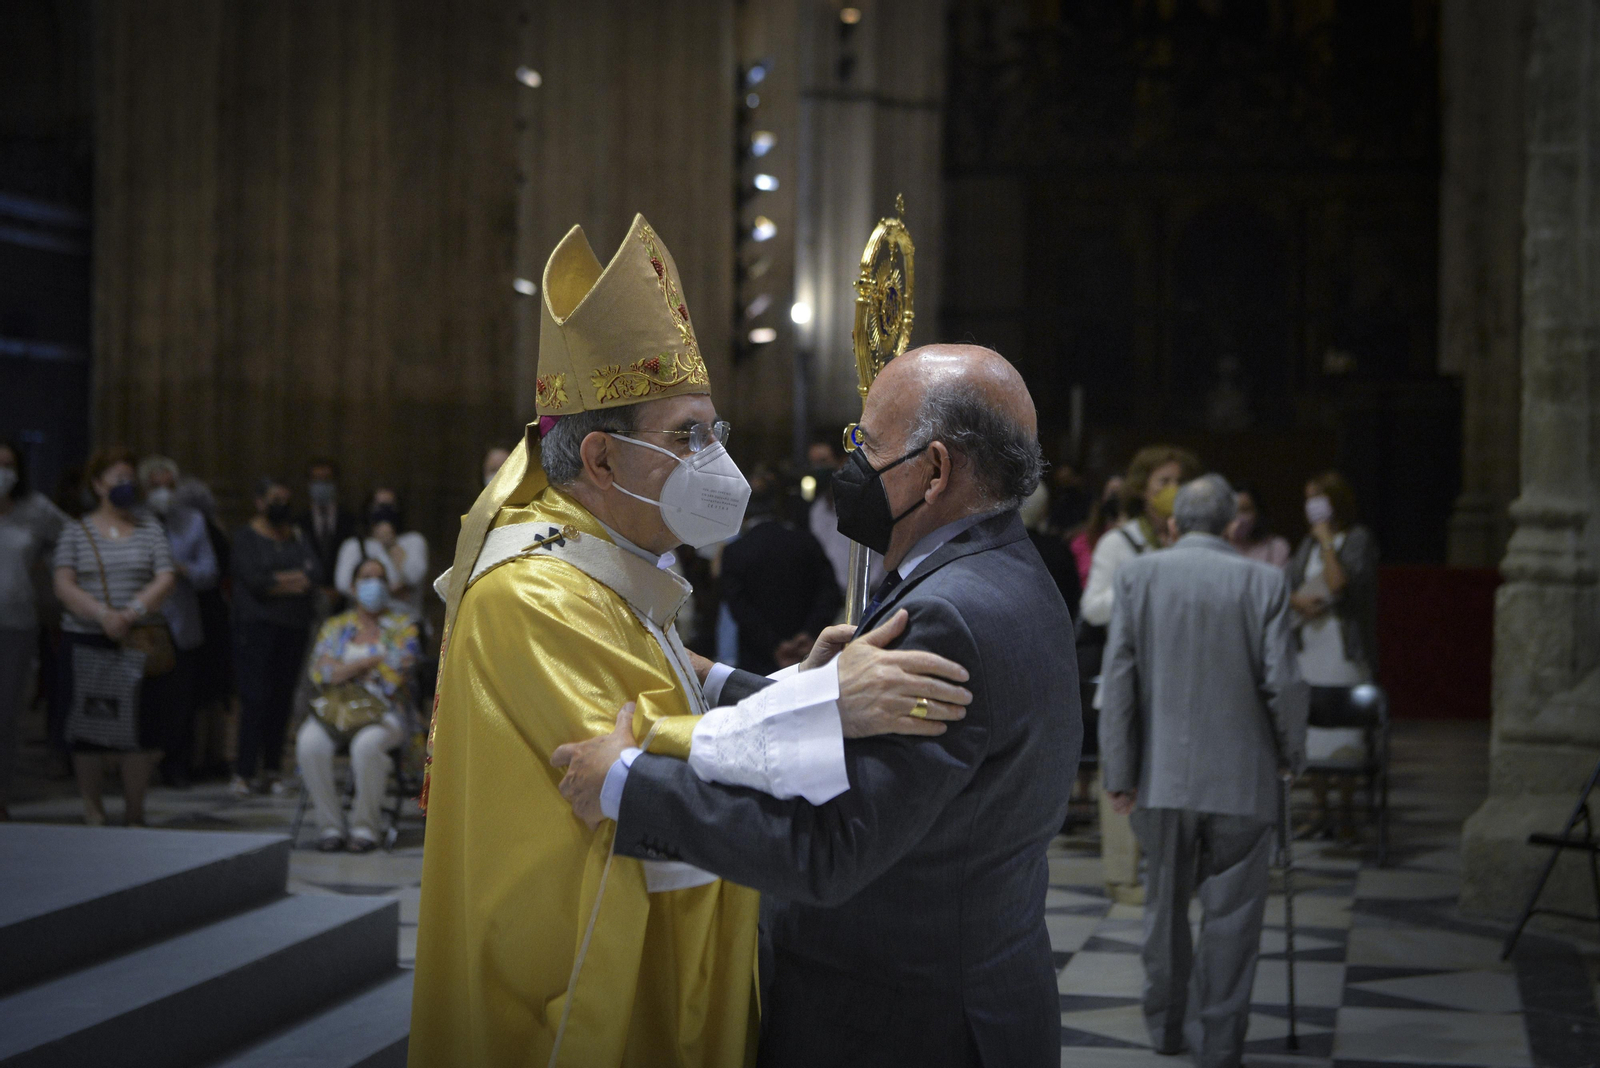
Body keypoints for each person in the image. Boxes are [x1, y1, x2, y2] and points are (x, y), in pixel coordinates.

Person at [409, 215, 972, 1068]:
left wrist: (791, 688)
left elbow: (668, 687)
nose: (714, 459)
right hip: (571, 981)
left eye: (716, 433)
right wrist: (825, 708)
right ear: (601, 459)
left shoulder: (603, 563)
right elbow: (622, 762)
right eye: (687, 436)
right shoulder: (533, 589)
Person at [554, 343, 1082, 1067]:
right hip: (963, 989)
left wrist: (625, 784)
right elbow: (855, 722)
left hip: (897, 1024)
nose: (851, 463)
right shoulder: (1001, 572)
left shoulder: (947, 617)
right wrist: (714, 680)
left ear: (934, 472)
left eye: (866, 442)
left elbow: (829, 847)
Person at [1099, 474, 1307, 1067]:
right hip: (1244, 778)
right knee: (1234, 920)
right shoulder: (1264, 581)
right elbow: (1284, 683)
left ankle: (1165, 1028)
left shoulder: (1138, 577)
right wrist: (1291, 754)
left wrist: (1119, 770)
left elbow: (1119, 681)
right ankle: (1219, 1044)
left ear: (1171, 524)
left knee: (1163, 909)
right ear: (1233, 525)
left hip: (1160, 778)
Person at [1080, 444, 1201, 905]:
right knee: (1121, 776)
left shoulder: (1197, 542)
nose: (1172, 492)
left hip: (1181, 678)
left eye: (1180, 484)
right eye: (1163, 483)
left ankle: (1176, 871)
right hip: (1128, 678)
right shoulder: (1120, 542)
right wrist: (1142, 598)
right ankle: (1121, 876)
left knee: (1178, 780)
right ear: (1143, 491)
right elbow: (1093, 607)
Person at [52, 447, 177, 825]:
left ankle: (135, 810)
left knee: (139, 729)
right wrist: (104, 615)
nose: (126, 486)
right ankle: (94, 810)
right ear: (97, 485)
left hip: (140, 639)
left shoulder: (149, 527)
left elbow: (166, 576)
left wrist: (131, 612)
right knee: (89, 729)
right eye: (117, 479)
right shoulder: (76, 530)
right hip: (88, 636)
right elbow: (63, 582)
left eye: (129, 479)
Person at [296, 556, 420, 852]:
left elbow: (396, 675)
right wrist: (371, 661)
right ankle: (330, 827)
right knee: (308, 743)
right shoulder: (335, 626)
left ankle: (365, 828)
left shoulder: (404, 626)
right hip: (338, 710)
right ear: (353, 586)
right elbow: (321, 673)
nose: (373, 584)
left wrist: (343, 668)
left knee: (366, 746)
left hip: (387, 711)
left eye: (379, 578)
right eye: (366, 578)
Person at [1286, 471, 1379, 841]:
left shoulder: (1356, 539)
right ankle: (1319, 808)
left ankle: (1345, 811)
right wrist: (1298, 602)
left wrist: (1326, 541)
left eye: (1318, 499)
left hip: (1342, 646)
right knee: (1312, 730)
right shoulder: (1305, 544)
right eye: (1308, 499)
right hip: (1310, 643)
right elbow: (1288, 584)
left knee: (1344, 729)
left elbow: (1342, 584)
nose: (1312, 508)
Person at [231, 477, 319, 796]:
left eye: (285, 498)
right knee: (255, 698)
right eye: (274, 498)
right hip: (255, 628)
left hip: (292, 627)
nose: (281, 504)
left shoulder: (296, 534)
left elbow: (312, 574)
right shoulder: (246, 537)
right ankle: (243, 771)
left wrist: (278, 582)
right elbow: (255, 581)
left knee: (282, 699)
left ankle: (271, 769)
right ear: (259, 501)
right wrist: (287, 582)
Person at [139, 456, 219, 787]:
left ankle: (177, 765)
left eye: (168, 486)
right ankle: (142, 765)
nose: (162, 493)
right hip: (143, 624)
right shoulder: (133, 520)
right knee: (147, 701)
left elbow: (210, 572)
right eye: (155, 487)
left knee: (180, 702)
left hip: (182, 624)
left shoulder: (194, 521)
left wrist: (182, 569)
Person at [0, 438, 67, 818]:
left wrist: (51, 567)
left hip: (15, 622)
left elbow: (71, 536)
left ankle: (1, 794)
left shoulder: (34, 508)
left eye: (8, 465)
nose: (2, 473)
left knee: (5, 713)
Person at [718, 469, 842, 674]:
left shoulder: (735, 551)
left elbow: (739, 608)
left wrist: (774, 645)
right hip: (808, 656)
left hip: (756, 663)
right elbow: (830, 593)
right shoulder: (806, 543)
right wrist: (809, 634)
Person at [334, 488, 429, 622]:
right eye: (379, 506)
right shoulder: (354, 545)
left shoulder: (414, 541)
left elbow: (414, 576)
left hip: (406, 622)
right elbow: (343, 585)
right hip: (364, 623)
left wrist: (391, 545)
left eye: (390, 506)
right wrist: (390, 592)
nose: (385, 511)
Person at [297, 458, 355, 601]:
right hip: (307, 598)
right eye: (317, 480)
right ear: (308, 484)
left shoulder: (351, 521)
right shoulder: (298, 523)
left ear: (335, 483)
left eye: (326, 480)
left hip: (343, 597)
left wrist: (339, 590)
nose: (321, 485)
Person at [1226, 480, 1291, 567]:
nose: (1238, 517)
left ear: (1258, 512)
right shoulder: (1218, 549)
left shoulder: (1276, 547)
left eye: (1245, 509)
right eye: (1234, 511)